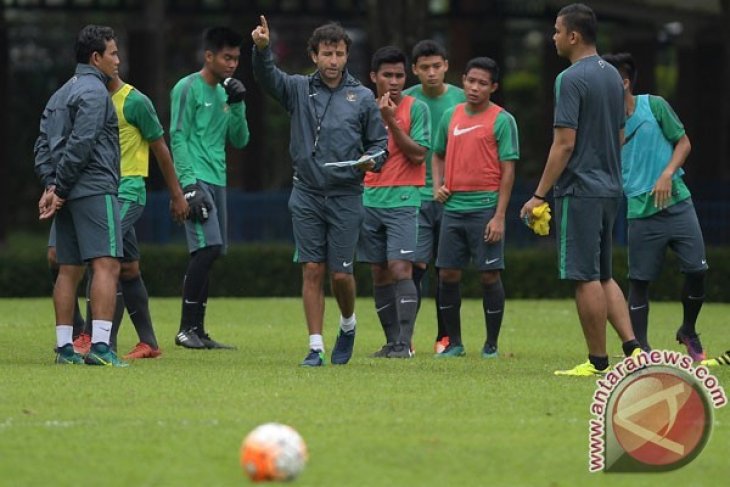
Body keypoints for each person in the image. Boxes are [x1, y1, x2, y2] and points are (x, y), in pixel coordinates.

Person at [252, 16, 388, 366]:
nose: (333, 61)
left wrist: (371, 161)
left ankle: (348, 323)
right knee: (312, 268)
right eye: (327, 53)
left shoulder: (363, 97)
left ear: (347, 56)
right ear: (314, 55)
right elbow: (267, 79)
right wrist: (262, 49)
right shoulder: (297, 88)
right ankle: (315, 347)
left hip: (346, 195)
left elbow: (380, 145)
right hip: (307, 193)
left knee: (341, 274)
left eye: (339, 54)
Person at [519, 3, 641, 376]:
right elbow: (620, 133)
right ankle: (634, 349)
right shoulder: (611, 75)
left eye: (556, 31)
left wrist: (539, 194)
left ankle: (598, 362)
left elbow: (564, 143)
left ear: (573, 36)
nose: (553, 37)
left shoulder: (570, 78)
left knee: (584, 276)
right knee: (604, 273)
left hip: (580, 189)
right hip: (609, 188)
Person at [72, 74, 190, 359]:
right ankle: (148, 342)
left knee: (102, 258)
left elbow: (160, 148)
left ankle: (98, 340)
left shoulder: (135, 101)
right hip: (105, 191)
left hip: (128, 192)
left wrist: (177, 195)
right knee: (128, 268)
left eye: (114, 54)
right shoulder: (92, 99)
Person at [602, 52, 708, 360]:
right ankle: (641, 350)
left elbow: (684, 142)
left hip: (678, 202)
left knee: (697, 270)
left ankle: (688, 329)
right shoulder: (603, 121)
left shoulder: (655, 105)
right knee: (639, 282)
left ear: (622, 83)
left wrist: (666, 173)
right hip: (639, 210)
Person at [34, 24, 126, 367]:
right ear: (96, 57)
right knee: (107, 264)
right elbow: (83, 143)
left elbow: (42, 144)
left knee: (68, 270)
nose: (118, 60)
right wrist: (61, 187)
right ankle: (101, 348)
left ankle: (64, 349)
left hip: (67, 192)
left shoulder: (59, 94)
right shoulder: (95, 93)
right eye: (113, 53)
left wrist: (51, 185)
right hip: (93, 188)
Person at [430, 57, 518, 358]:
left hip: (485, 208)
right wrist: (437, 185)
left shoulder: (502, 120)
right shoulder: (451, 116)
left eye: (482, 83)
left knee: (489, 276)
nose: (474, 88)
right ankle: (454, 342)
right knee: (447, 275)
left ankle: (491, 344)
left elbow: (508, 171)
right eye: (470, 81)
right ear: (463, 79)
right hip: (453, 209)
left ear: (493, 87)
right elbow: (437, 154)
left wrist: (499, 216)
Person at [171, 26, 250, 349]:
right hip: (196, 179)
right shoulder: (187, 87)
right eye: (226, 57)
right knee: (207, 248)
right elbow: (177, 135)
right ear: (209, 56)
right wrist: (188, 186)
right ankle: (185, 329)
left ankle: (198, 331)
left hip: (219, 180)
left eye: (236, 58)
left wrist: (239, 103)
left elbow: (240, 140)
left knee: (212, 251)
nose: (232, 64)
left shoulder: (225, 93)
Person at [360, 46, 430, 359]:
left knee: (401, 267)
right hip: (369, 197)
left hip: (404, 196)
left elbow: (418, 153)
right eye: (387, 75)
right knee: (378, 272)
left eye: (399, 75)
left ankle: (404, 343)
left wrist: (392, 121)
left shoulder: (417, 108)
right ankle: (390, 342)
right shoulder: (363, 108)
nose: (394, 81)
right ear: (374, 77)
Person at [403, 40, 466, 353]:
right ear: (414, 70)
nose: (431, 72)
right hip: (413, 196)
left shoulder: (462, 101)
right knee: (413, 267)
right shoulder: (403, 101)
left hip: (451, 198)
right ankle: (406, 339)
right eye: (424, 67)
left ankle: (445, 338)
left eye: (436, 66)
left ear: (446, 65)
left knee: (447, 269)